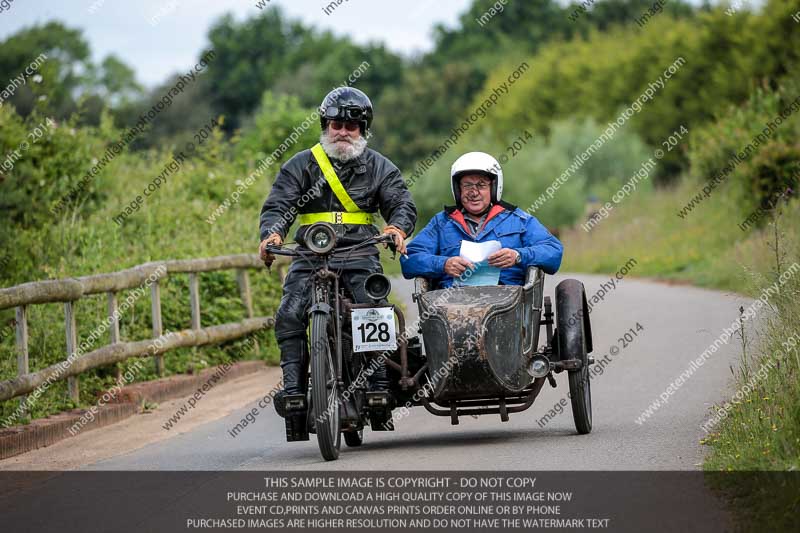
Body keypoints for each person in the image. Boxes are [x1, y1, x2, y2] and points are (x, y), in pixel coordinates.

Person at [258, 87, 416, 441]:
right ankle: (294, 392)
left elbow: (401, 202)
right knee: (288, 314)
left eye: (351, 126)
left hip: (360, 251)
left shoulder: (380, 166)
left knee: (373, 309)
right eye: (336, 124)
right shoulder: (300, 164)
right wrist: (272, 234)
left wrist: (396, 227)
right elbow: (279, 205)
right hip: (309, 255)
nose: (343, 131)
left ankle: (378, 386)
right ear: (325, 125)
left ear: (363, 129)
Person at [400, 151, 562, 288]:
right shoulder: (440, 223)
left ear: (493, 188)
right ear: (458, 189)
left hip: (508, 302)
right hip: (451, 303)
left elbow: (553, 251)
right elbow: (409, 259)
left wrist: (518, 255)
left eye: (481, 185)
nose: (474, 192)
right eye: (467, 185)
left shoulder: (519, 220)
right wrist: (443, 264)